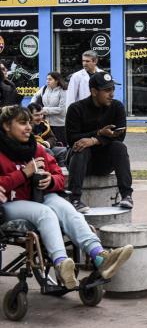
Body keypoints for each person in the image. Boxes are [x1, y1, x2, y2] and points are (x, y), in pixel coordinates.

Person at [0, 105, 133, 290]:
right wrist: (24, 174)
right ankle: (61, 262)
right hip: (9, 204)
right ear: (7, 126)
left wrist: (50, 180)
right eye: (22, 123)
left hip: (38, 196)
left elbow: (59, 176)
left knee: (66, 208)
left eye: (29, 123)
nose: (29, 127)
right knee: (46, 213)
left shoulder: (36, 148)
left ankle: (99, 256)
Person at [65, 72, 134, 213]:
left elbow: (119, 136)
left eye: (113, 89)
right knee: (81, 147)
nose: (112, 94)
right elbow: (71, 138)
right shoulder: (76, 108)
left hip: (103, 162)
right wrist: (98, 133)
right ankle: (75, 199)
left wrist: (94, 140)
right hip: (80, 161)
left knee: (119, 147)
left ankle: (127, 195)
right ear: (94, 91)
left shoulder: (117, 107)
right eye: (107, 90)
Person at [31, 72, 68, 146]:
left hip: (59, 125)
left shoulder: (63, 91)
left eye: (50, 79)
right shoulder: (44, 88)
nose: (47, 81)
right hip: (46, 123)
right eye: (47, 79)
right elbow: (35, 97)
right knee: (47, 145)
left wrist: (44, 110)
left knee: (60, 145)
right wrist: (32, 107)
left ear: (57, 80)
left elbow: (62, 109)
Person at [29, 103, 68, 167]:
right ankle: (52, 171)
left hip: (46, 147)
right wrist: (42, 146)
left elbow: (53, 138)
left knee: (64, 150)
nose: (40, 117)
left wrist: (45, 144)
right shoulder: (25, 126)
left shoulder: (44, 125)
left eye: (41, 114)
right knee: (48, 151)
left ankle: (63, 171)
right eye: (36, 115)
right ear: (29, 115)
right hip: (32, 151)